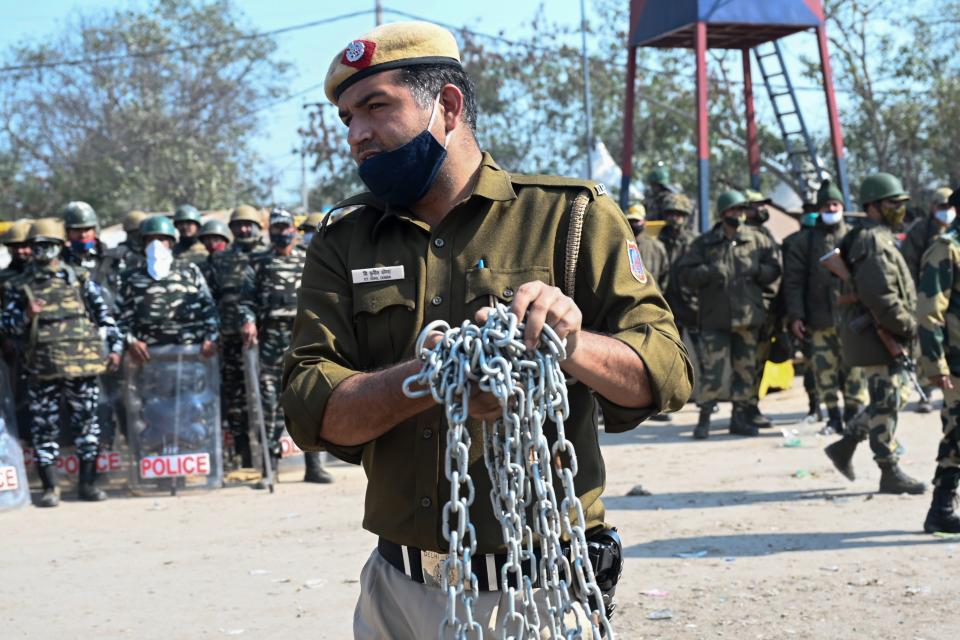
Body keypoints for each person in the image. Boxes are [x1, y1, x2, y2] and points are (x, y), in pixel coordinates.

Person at [280, 21, 692, 637]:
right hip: (399, 592)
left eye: (375, 107)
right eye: (347, 118)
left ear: (446, 105)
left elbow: (666, 375)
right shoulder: (344, 241)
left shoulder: (570, 218)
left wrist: (570, 344)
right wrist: (429, 379)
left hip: (538, 589)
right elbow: (310, 411)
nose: (356, 135)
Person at [1, 218, 122, 507]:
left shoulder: (79, 279)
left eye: (49, 245)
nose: (44, 251)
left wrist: (115, 348)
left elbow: (105, 317)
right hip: (41, 367)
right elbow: (5, 326)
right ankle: (50, 488)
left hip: (82, 366)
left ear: (59, 246)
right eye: (38, 246)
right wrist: (26, 316)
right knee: (44, 428)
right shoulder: (19, 285)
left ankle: (88, 485)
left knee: (87, 427)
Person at [823, 173, 926, 494]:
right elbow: (881, 295)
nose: (899, 209)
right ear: (874, 206)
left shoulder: (879, 236)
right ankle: (888, 469)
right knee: (886, 401)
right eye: (893, 203)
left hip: (883, 331)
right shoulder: (872, 240)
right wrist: (908, 327)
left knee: (891, 397)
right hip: (879, 334)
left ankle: (846, 445)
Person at [677, 189, 781, 439]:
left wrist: (757, 270)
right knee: (713, 371)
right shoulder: (704, 243)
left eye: (742, 210)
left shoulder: (758, 239)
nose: (740, 215)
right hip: (716, 319)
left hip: (748, 318)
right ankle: (704, 419)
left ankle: (740, 418)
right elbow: (685, 274)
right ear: (724, 214)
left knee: (746, 371)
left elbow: (774, 269)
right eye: (735, 211)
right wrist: (709, 272)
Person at [239, 208, 332, 485]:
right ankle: (270, 469)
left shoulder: (309, 260)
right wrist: (248, 321)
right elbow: (246, 301)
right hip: (269, 342)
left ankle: (313, 465)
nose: (281, 233)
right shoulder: (257, 263)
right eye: (275, 228)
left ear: (294, 229)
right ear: (269, 232)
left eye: (285, 227)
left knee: (309, 398)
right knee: (269, 404)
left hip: (303, 340)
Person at [784, 180, 867, 434]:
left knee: (854, 369)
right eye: (826, 204)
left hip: (852, 319)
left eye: (835, 203)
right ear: (819, 209)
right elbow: (794, 282)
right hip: (819, 319)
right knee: (824, 370)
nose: (831, 208)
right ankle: (832, 416)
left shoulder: (856, 236)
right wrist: (796, 316)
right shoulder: (805, 242)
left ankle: (853, 414)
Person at [205, 205, 267, 467]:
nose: (243, 229)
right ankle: (245, 454)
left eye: (247, 224)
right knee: (235, 397)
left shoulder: (269, 256)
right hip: (230, 337)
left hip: (268, 338)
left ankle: (270, 455)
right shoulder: (220, 260)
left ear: (257, 227)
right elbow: (210, 298)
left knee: (268, 394)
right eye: (237, 225)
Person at [116, 215, 218, 364]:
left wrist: (211, 338)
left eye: (162, 239)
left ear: (170, 242)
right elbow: (119, 317)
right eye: (151, 240)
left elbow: (209, 308)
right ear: (143, 244)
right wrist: (131, 341)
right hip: (149, 361)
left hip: (190, 356)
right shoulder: (131, 278)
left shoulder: (190, 271)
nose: (156, 245)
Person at [917, 188, 960, 533]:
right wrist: (936, 364)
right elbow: (930, 312)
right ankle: (942, 507)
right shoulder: (946, 248)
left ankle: (942, 508)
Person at [901, 187, 954, 413]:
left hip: (952, 300)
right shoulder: (920, 232)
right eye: (942, 207)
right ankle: (926, 392)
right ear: (933, 207)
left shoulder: (955, 231)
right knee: (926, 345)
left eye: (950, 207)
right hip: (925, 297)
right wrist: (914, 299)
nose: (947, 212)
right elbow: (908, 266)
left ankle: (950, 392)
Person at [60, 201, 123, 308]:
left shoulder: (111, 259)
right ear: (67, 232)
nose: (83, 235)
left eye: (87, 229)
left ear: (95, 230)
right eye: (77, 230)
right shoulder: (61, 260)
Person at [625, 203, 668, 287]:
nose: (633, 224)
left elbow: (665, 275)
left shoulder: (657, 247)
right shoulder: (622, 245)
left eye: (636, 221)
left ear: (644, 222)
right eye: (630, 221)